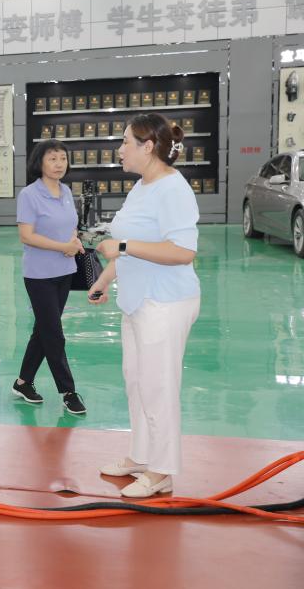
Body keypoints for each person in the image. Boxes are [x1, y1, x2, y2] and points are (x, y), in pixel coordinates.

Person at [89, 113, 200, 498]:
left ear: (148, 147)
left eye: (125, 142)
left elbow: (183, 251)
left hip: (166, 301)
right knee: (136, 381)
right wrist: (104, 279)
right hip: (138, 300)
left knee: (158, 386)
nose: (119, 150)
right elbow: (133, 245)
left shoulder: (173, 189)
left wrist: (122, 246)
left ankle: (163, 470)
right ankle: (141, 455)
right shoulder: (141, 187)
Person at [14, 140, 87, 415]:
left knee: (44, 330)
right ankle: (68, 391)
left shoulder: (65, 191)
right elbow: (26, 236)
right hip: (39, 275)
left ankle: (23, 382)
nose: (59, 164)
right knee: (54, 333)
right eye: (52, 159)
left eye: (63, 159)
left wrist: (74, 241)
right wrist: (63, 247)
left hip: (65, 272)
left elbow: (70, 225)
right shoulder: (29, 195)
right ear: (40, 163)